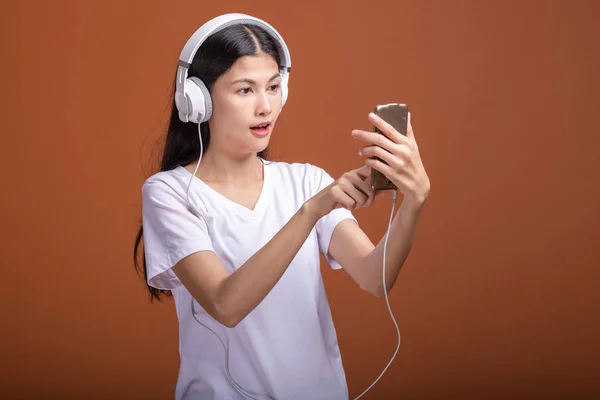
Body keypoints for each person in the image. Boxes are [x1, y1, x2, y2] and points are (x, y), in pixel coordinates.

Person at [133, 13, 430, 400]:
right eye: (245, 90)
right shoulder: (169, 193)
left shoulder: (306, 181)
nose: (265, 106)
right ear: (198, 101)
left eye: (273, 87)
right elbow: (226, 304)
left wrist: (414, 201)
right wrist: (310, 212)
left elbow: (376, 278)